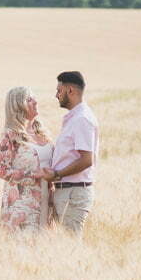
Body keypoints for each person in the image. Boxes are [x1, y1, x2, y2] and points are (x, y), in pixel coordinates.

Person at [0, 87, 55, 233]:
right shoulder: (10, 135)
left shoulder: (42, 133)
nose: (35, 102)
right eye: (29, 99)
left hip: (47, 202)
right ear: (18, 106)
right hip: (21, 206)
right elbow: (2, 171)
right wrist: (35, 174)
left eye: (34, 98)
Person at [48, 71, 99, 236]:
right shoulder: (74, 118)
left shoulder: (81, 119)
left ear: (70, 90)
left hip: (73, 193)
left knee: (70, 247)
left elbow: (86, 160)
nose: (56, 95)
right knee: (64, 247)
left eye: (59, 90)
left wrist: (56, 174)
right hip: (67, 192)